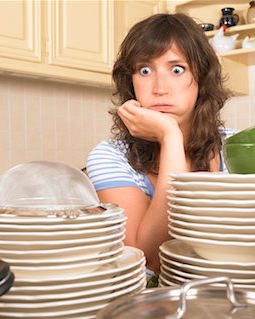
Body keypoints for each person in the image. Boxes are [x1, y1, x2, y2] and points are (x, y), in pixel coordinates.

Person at [86, 13, 235, 273]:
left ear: (202, 77)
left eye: (177, 69)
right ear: (130, 82)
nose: (159, 88)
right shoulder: (109, 157)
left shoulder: (237, 147)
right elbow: (151, 260)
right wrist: (171, 136)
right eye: (145, 70)